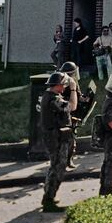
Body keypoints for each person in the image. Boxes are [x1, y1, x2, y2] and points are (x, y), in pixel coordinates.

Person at [39, 71, 73, 212]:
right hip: (55, 138)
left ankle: (48, 196)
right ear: (58, 85)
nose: (64, 87)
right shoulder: (53, 98)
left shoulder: (49, 96)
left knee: (55, 166)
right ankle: (49, 201)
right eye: (63, 85)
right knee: (58, 167)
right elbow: (71, 106)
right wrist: (74, 90)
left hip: (54, 136)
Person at [58, 62, 82, 169]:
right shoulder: (62, 84)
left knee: (72, 138)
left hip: (72, 113)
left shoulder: (74, 83)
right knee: (68, 139)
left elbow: (78, 95)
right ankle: (64, 160)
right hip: (66, 113)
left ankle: (69, 159)